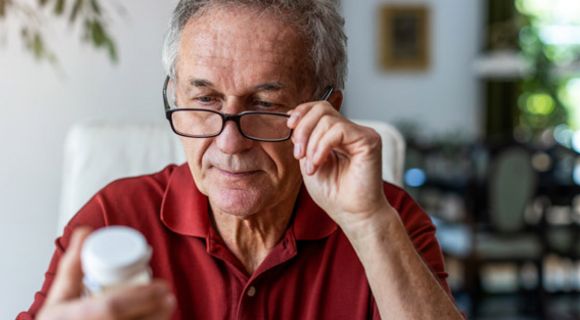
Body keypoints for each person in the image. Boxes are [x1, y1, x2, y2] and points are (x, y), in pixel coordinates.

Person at [18, 0, 463, 319]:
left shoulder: (390, 222)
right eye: (204, 99)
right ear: (175, 97)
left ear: (328, 110)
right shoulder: (114, 218)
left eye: (266, 106)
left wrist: (369, 225)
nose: (229, 143)